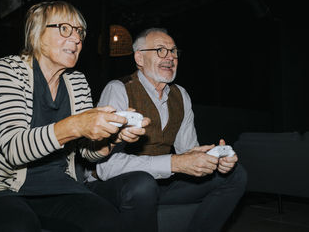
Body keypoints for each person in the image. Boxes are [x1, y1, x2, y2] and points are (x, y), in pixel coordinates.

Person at [0, 1, 150, 232]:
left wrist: (112, 138)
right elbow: (13, 149)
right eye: (64, 28)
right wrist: (76, 125)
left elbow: (87, 152)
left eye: (79, 31)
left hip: (57, 188)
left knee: (107, 221)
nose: (77, 38)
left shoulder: (77, 82)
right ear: (37, 34)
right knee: (16, 225)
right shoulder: (9, 70)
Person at [86, 28, 248, 232]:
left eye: (173, 51)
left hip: (160, 183)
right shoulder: (119, 89)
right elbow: (106, 167)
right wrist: (174, 163)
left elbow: (188, 151)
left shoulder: (181, 95)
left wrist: (213, 160)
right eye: (161, 50)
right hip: (109, 185)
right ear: (140, 58)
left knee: (236, 175)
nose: (170, 57)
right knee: (143, 184)